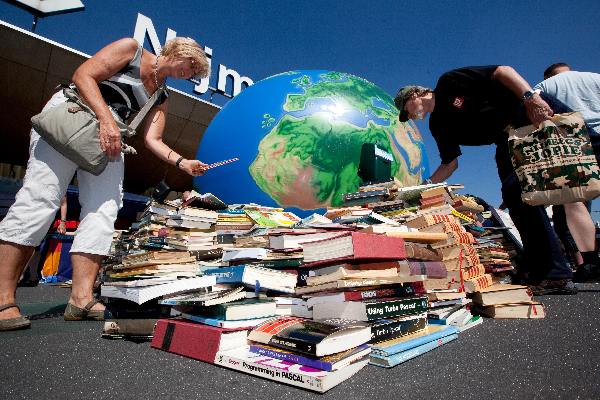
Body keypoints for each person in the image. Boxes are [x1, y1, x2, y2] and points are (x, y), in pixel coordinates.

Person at [0, 37, 210, 331]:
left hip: (109, 139)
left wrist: (182, 163)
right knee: (42, 198)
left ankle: (81, 298)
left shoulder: (162, 95)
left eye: (196, 74)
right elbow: (83, 75)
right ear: (181, 52)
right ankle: (3, 299)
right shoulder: (131, 49)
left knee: (106, 207)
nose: (192, 75)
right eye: (193, 67)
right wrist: (106, 119)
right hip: (73, 118)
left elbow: (154, 140)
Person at [394, 65, 577, 295]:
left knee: (588, 154)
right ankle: (552, 274)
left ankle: (551, 271)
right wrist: (423, 187)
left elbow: (502, 71)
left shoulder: (449, 82)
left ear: (414, 95)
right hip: (506, 139)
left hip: (528, 111)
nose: (409, 116)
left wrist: (531, 98)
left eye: (405, 109)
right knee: (516, 197)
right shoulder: (438, 125)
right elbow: (450, 164)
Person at [534, 68, 600, 281]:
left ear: (548, 75)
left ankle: (587, 264)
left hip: (572, 141)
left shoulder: (545, 86)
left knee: (574, 203)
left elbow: (534, 109)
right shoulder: (595, 78)